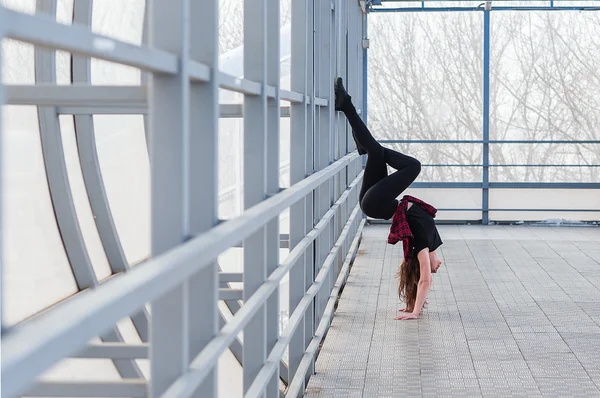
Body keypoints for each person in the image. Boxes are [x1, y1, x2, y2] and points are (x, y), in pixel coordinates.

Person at [334, 77, 443, 321]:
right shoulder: (435, 240)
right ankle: (346, 107)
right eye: (435, 267)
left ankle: (349, 112)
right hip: (377, 201)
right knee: (376, 152)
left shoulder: (423, 247)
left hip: (378, 203)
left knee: (413, 165)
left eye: (435, 268)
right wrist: (410, 304)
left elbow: (424, 280)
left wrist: (415, 313)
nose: (438, 267)